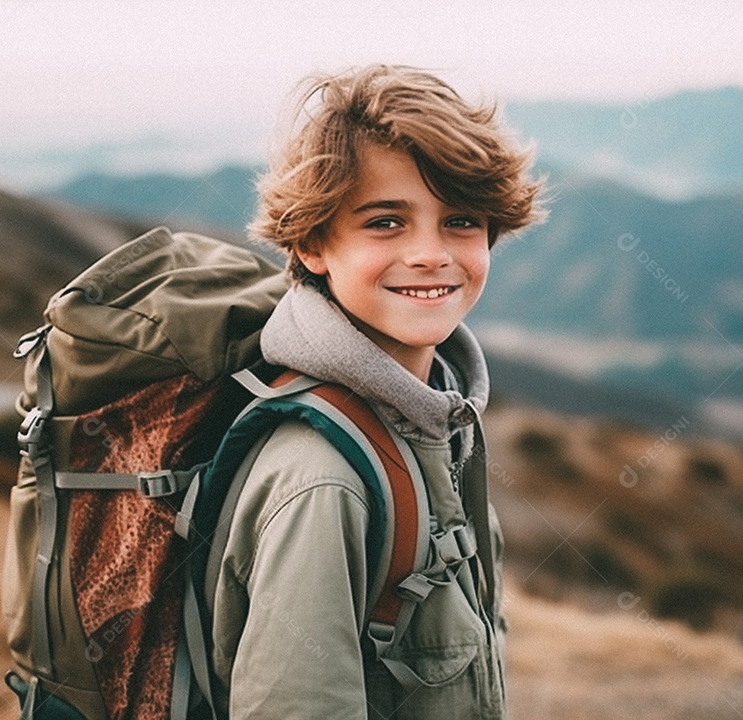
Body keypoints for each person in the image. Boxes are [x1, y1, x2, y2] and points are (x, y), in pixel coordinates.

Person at [207, 65, 544, 719]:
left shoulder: (435, 416)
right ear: (311, 244)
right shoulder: (323, 477)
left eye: (461, 221)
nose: (429, 253)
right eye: (386, 222)